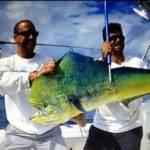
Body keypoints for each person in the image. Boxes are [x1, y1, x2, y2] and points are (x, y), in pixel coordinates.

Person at [0, 19, 85, 150]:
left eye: (35, 33)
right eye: (27, 33)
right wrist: (36, 75)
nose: (32, 37)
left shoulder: (48, 62)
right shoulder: (6, 63)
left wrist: (74, 113)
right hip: (17, 133)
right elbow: (2, 84)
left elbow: (61, 94)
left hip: (50, 132)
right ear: (15, 37)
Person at [84, 23, 145, 150]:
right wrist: (103, 59)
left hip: (130, 128)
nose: (118, 40)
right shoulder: (97, 65)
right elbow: (87, 87)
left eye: (120, 37)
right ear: (105, 42)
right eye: (112, 38)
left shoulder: (137, 63)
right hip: (101, 126)